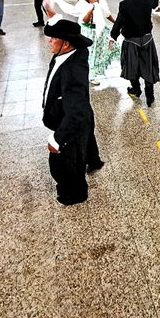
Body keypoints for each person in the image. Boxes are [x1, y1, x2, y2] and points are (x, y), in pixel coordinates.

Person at [42, 18, 103, 206]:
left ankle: (75, 194)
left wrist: (58, 139)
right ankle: (93, 160)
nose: (50, 41)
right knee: (87, 138)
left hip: (70, 122)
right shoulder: (71, 52)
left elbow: (77, 113)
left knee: (67, 162)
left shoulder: (72, 70)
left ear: (66, 43)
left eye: (54, 38)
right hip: (79, 114)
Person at [45, 0, 120, 86]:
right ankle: (91, 76)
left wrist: (116, 24)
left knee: (108, 49)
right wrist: (91, 10)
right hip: (87, 30)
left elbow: (107, 14)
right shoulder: (82, 4)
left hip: (100, 29)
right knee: (91, 53)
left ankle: (104, 69)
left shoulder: (101, 0)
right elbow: (85, 20)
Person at [111, 0, 160, 107]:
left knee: (131, 66)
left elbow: (119, 22)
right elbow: (156, 3)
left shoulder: (124, 4)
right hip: (147, 39)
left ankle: (136, 90)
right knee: (148, 66)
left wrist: (113, 36)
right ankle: (150, 96)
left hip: (131, 41)